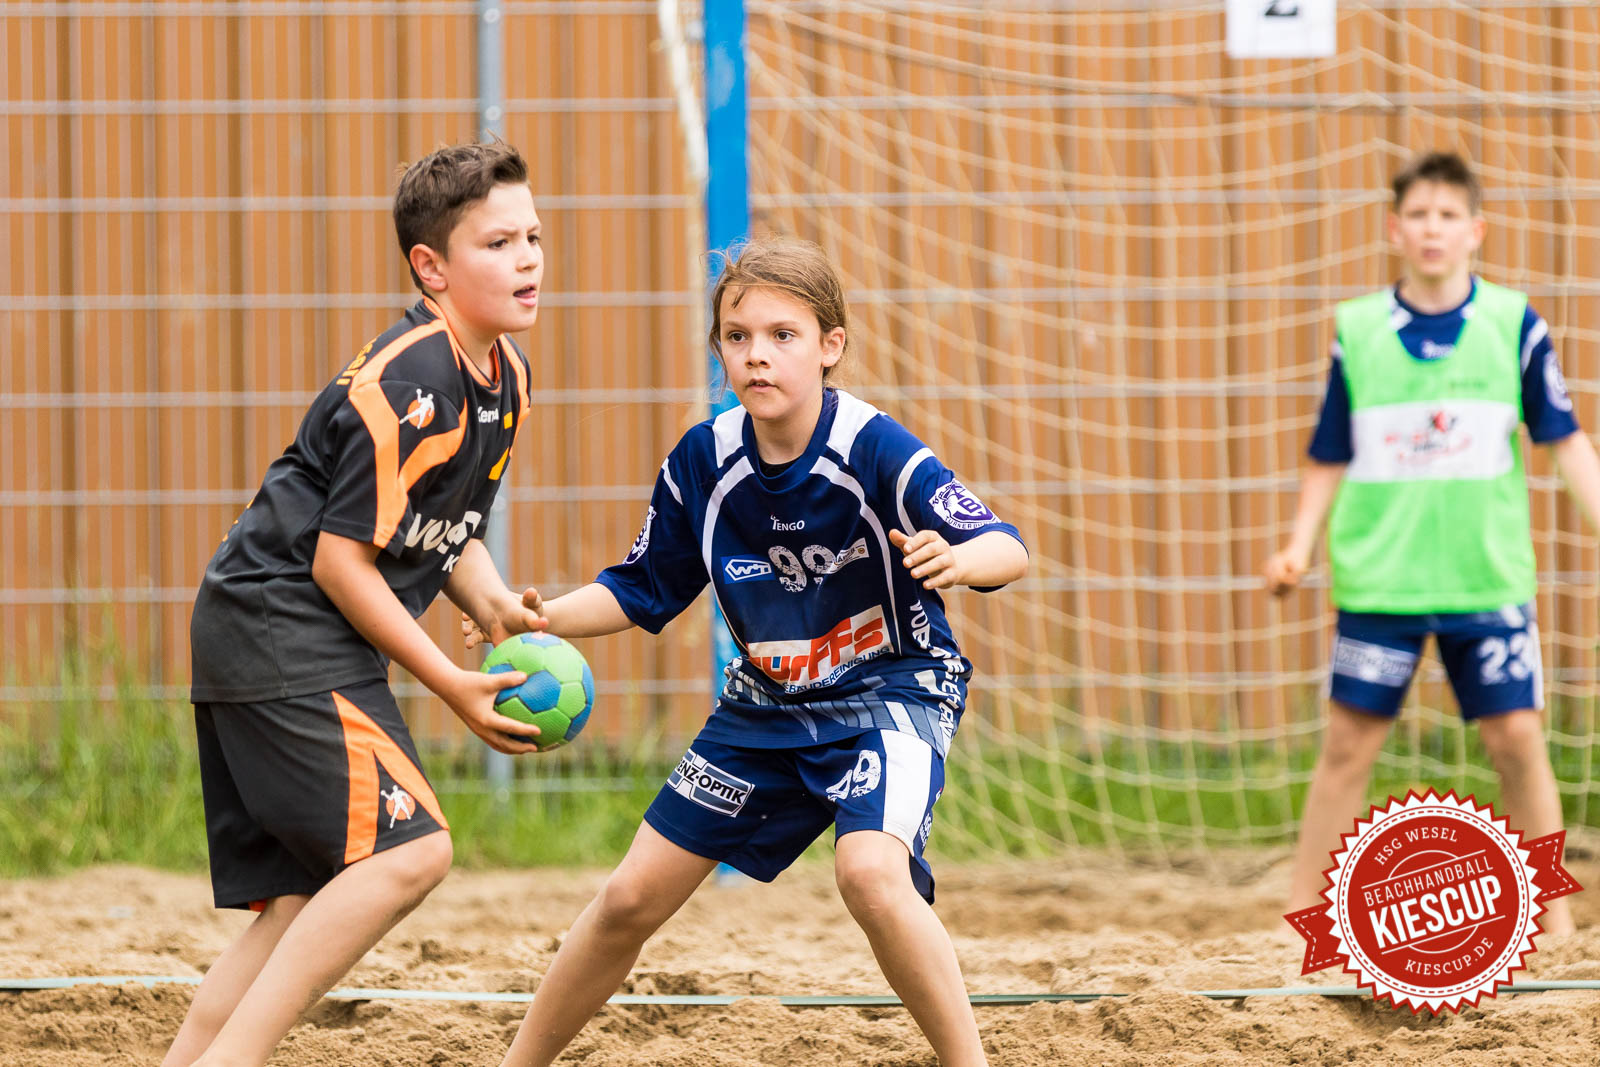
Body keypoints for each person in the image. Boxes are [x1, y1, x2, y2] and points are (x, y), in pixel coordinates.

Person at [465, 235, 1029, 1066]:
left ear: (831, 346)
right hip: (765, 707)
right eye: (738, 336)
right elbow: (638, 588)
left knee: (871, 875)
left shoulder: (872, 447)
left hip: (893, 691)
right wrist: (534, 619)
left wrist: (960, 558)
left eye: (782, 335)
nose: (757, 354)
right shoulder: (704, 461)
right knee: (627, 897)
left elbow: (1007, 547)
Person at [166, 139, 551, 1067]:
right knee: (408, 852)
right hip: (281, 628)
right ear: (432, 268)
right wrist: (454, 682)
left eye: (535, 235)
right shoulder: (416, 377)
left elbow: (435, 525)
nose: (530, 257)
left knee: (304, 896)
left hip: (267, 630)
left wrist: (493, 600)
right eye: (498, 243)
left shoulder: (504, 379)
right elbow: (343, 564)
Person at [1265, 151, 1600, 936]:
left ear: (1475, 230)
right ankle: (1300, 923)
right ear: (1395, 229)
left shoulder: (1515, 325)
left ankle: (1553, 930)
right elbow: (1329, 452)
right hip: (1382, 583)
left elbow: (1566, 440)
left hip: (1486, 579)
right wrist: (1297, 544)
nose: (1433, 228)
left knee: (1518, 738)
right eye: (1419, 214)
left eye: (1449, 215)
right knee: (1347, 746)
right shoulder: (1359, 331)